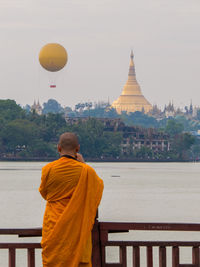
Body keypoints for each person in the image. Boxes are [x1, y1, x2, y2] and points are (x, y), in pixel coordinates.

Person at [39, 132, 104, 267]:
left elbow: (44, 193)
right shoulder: (86, 171)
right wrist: (84, 164)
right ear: (77, 149)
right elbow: (97, 189)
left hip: (53, 227)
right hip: (77, 230)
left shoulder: (48, 169)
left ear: (58, 148)